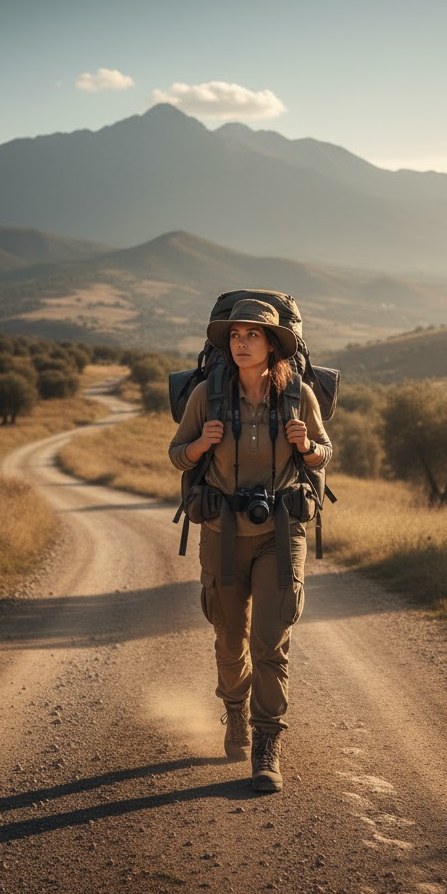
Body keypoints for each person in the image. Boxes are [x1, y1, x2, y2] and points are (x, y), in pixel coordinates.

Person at [169, 298, 333, 792]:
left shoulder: (299, 395)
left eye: (252, 335)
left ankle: (267, 744)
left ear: (272, 345)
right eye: (235, 335)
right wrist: (201, 445)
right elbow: (178, 455)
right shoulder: (207, 397)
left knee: (270, 640)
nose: (241, 343)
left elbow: (325, 455)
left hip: (280, 535)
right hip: (221, 534)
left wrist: (307, 446)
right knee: (228, 636)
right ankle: (235, 710)